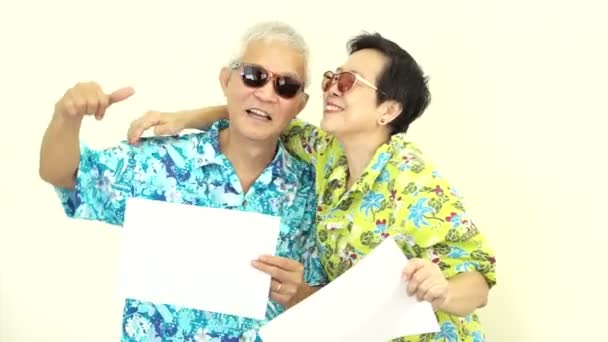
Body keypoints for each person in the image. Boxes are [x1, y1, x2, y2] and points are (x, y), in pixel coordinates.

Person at [127, 32, 497, 341]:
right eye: (332, 78)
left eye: (349, 83)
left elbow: (478, 282)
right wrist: (185, 118)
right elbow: (265, 113)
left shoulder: (412, 180)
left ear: (389, 111)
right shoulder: (326, 153)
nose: (333, 89)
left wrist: (443, 290)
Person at [38, 21, 328, 342]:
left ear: (300, 104)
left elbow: (329, 307)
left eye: (285, 86)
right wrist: (66, 115)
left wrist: (299, 293)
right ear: (226, 80)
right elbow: (64, 175)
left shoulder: (311, 190)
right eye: (254, 76)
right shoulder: (161, 163)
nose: (266, 94)